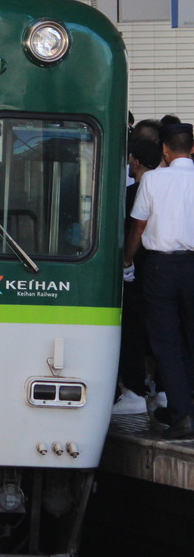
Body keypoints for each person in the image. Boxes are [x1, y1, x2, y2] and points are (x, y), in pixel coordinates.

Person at [123, 123, 194, 438]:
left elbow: (138, 227)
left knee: (167, 343)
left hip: (160, 269)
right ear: (191, 148)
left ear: (165, 149)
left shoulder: (151, 179)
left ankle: (182, 416)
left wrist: (126, 260)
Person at [114, 139, 162, 415]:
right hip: (164, 267)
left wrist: (126, 260)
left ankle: (133, 391)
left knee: (132, 331)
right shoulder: (175, 187)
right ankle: (162, 391)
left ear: (136, 161)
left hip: (138, 271)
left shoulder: (137, 191)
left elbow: (136, 229)